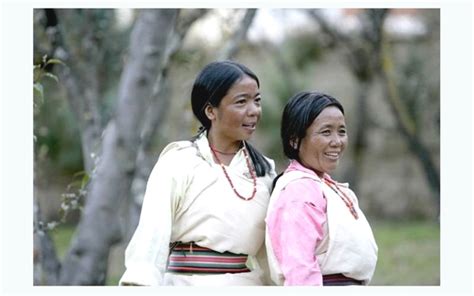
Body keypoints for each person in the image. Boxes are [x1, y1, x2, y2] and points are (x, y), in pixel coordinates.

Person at [119, 61, 276, 286]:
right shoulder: (179, 161)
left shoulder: (265, 171)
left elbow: (272, 253)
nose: (254, 111)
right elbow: (151, 237)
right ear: (211, 110)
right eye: (242, 102)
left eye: (257, 101)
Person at [265, 91, 378, 286]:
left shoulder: (323, 186)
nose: (337, 141)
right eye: (326, 132)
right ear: (294, 140)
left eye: (341, 131)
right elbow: (300, 270)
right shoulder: (299, 190)